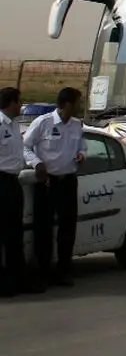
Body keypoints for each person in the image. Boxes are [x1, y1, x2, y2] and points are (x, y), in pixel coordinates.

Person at [22, 87, 86, 287]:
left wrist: (82, 154)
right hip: (48, 183)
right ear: (67, 104)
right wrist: (36, 163)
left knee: (68, 228)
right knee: (44, 229)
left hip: (68, 181)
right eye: (77, 103)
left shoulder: (77, 125)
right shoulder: (43, 123)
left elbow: (82, 146)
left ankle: (63, 271)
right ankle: (43, 272)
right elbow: (25, 146)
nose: (80, 107)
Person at [1, 87, 40, 297]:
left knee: (14, 233)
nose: (21, 106)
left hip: (12, 182)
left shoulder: (15, 125)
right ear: (10, 102)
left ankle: (17, 280)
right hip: (1, 182)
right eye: (19, 102)